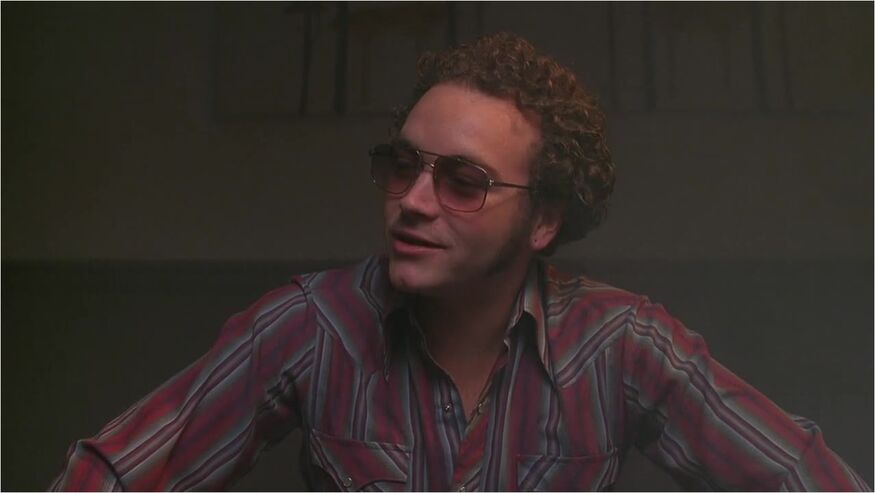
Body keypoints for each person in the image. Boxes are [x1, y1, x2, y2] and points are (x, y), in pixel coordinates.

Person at [51, 32, 868, 492]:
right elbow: (112, 472)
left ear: (542, 219)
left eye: (463, 181)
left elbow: (802, 474)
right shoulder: (310, 324)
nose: (412, 200)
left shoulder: (621, 343)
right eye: (402, 165)